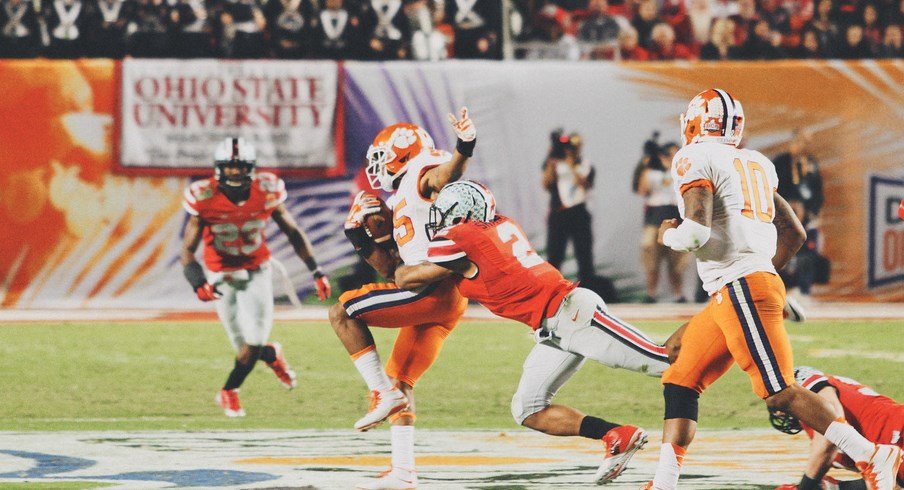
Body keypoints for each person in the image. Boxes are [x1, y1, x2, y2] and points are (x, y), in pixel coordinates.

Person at [642, 88, 902, 490]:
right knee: (680, 378)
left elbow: (694, 232)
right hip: (736, 287)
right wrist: (766, 272)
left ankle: (872, 454)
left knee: (779, 392)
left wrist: (667, 236)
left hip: (740, 285)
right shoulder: (758, 163)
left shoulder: (694, 157)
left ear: (696, 121)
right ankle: (663, 483)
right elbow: (794, 233)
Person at [393, 180, 674, 485]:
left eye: (445, 214)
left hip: (574, 316)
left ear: (461, 214)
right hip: (554, 329)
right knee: (527, 409)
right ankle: (616, 435)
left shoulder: (461, 237)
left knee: (664, 362)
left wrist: (388, 254)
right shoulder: (500, 224)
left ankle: (718, 333)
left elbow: (410, 279)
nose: (440, 222)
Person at [330, 108, 477, 489]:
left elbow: (448, 174)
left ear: (402, 153)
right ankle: (404, 471)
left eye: (382, 158)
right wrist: (357, 235)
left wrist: (464, 145)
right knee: (401, 380)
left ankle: (380, 392)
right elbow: (390, 268)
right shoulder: (400, 200)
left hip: (430, 290)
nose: (378, 168)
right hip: (442, 297)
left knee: (343, 312)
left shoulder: (424, 171)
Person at [181, 137, 331, 418]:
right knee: (244, 347)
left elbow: (293, 232)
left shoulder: (267, 190)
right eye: (229, 168)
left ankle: (229, 391)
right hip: (219, 273)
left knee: (253, 340)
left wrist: (316, 270)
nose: (235, 173)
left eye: (241, 168)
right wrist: (197, 281)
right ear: (219, 169)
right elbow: (188, 251)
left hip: (256, 271)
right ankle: (271, 356)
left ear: (251, 168)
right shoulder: (203, 196)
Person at [771, 367, 904, 490]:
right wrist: (836, 487)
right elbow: (891, 482)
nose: (779, 412)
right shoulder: (826, 448)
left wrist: (805, 487)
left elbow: (830, 434)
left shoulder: (803, 382)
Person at [636, 141, 690, 303]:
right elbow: (642, 190)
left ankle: (678, 294)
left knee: (677, 258)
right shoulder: (652, 173)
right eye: (668, 155)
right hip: (656, 217)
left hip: (677, 215)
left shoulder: (684, 172)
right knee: (650, 252)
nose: (672, 158)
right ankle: (651, 293)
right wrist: (648, 164)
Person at [542, 130, 596, 284]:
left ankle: (587, 286)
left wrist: (571, 164)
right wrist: (551, 161)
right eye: (567, 148)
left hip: (579, 212)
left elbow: (585, 184)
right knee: (555, 254)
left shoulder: (584, 164)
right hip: (559, 213)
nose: (569, 150)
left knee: (584, 253)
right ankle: (552, 287)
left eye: (573, 147)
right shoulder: (554, 163)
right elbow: (546, 184)